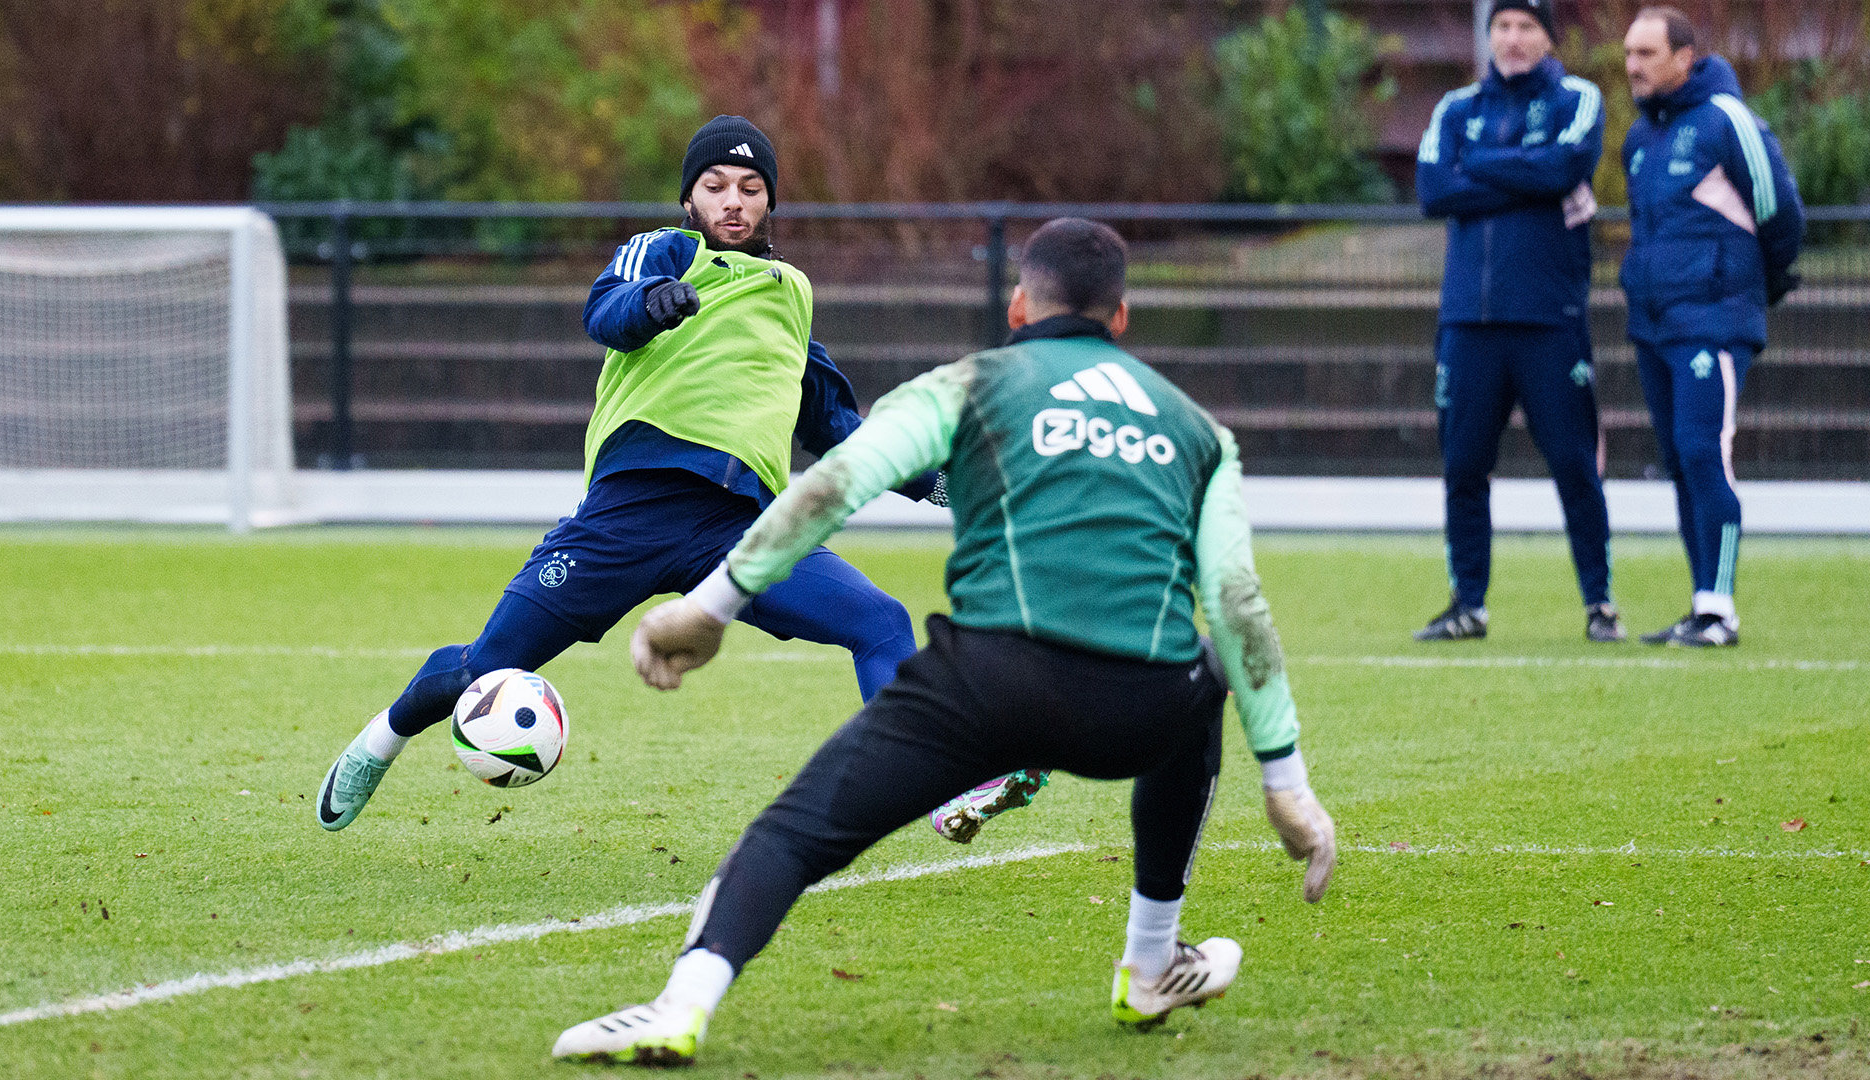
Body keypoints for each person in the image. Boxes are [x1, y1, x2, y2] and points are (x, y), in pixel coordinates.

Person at [549, 218, 1338, 1066]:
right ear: (1121, 318)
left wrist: (711, 607)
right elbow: (1237, 604)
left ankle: (681, 1005)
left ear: (1018, 303)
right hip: (1137, 706)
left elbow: (833, 486)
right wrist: (1286, 782)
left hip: (985, 687)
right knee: (1202, 681)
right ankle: (1151, 959)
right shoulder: (1196, 430)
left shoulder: (970, 384)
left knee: (792, 835)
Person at [315, 115, 957, 829]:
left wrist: (944, 486)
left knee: (879, 621)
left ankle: (929, 786)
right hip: (628, 514)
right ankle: (383, 738)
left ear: (772, 202)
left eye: (750, 188)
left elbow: (836, 427)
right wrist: (651, 305)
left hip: (742, 528)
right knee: (483, 669)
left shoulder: (790, 293)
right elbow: (606, 310)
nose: (733, 201)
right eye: (715, 187)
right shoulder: (665, 251)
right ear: (690, 199)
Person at [1413, 0, 1622, 643]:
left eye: (1526, 26)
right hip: (1468, 322)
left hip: (1547, 319)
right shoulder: (1455, 107)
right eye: (1501, 26)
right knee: (1464, 466)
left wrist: (1477, 166)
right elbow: (1432, 192)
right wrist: (1531, 181)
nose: (1512, 38)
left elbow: (1568, 165)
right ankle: (1467, 604)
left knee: (1572, 463)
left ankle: (1599, 603)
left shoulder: (1576, 98)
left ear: (1548, 37)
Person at [1620, 7, 1804, 646]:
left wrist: (1759, 287)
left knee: (1704, 452)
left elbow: (1780, 212)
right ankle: (1702, 603)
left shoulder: (1728, 119)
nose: (1633, 67)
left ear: (1684, 57)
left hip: (1714, 320)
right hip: (1654, 324)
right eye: (1629, 55)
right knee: (1679, 460)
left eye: (1646, 54)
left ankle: (1719, 610)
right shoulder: (1641, 140)